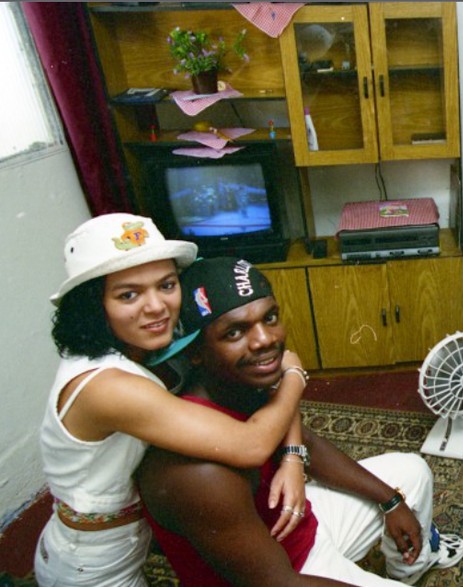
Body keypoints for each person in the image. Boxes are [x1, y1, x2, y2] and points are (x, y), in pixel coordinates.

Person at [137, 257, 463, 587]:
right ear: (195, 351)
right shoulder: (196, 473)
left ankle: (410, 571)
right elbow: (279, 583)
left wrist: (391, 501)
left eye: (270, 318)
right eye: (235, 332)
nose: (264, 340)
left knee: (412, 472)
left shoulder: (238, 379)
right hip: (285, 572)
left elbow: (305, 443)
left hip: (298, 527)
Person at [35, 214, 307, 587]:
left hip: (132, 536)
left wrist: (293, 457)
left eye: (165, 285)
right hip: (91, 563)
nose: (156, 307)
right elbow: (252, 444)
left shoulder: (143, 346)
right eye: (129, 294)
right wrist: (294, 373)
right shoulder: (107, 386)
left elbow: (264, 396)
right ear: (93, 304)